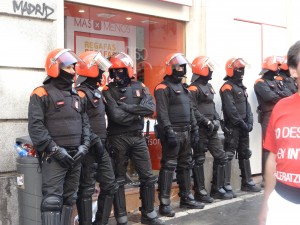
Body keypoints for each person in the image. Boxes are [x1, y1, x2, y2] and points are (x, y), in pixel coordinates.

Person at [28, 48, 91, 225]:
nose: (74, 71)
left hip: (75, 155)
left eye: (74, 68)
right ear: (56, 68)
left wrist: (84, 147)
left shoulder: (77, 94)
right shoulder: (41, 93)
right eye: (70, 68)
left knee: (70, 199)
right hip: (54, 157)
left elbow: (85, 123)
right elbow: (36, 127)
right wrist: (55, 150)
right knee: (52, 202)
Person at [102, 52, 164, 225]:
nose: (118, 74)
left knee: (147, 176)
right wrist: (137, 112)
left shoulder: (140, 86)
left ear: (128, 70)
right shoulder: (108, 90)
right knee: (118, 179)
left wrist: (128, 107)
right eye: (114, 71)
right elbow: (116, 116)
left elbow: (150, 109)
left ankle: (149, 214)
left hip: (137, 137)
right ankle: (121, 217)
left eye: (121, 70)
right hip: (117, 138)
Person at [154, 53, 205, 218]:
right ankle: (165, 203)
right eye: (178, 66)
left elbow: (191, 110)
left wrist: (195, 129)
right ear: (170, 68)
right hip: (173, 132)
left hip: (187, 131)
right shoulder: (162, 88)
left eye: (182, 66)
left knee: (186, 165)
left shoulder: (184, 88)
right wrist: (169, 132)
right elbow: (162, 114)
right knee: (168, 167)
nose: (181, 69)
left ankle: (186, 198)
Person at [259, 40, 300, 225]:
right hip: (283, 206)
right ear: (293, 70)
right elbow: (273, 157)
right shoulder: (281, 107)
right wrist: (266, 204)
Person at [75, 51, 118, 225]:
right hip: (89, 148)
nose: (102, 73)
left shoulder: (96, 92)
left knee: (109, 184)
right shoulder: (80, 94)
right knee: (86, 189)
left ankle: (100, 222)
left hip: (102, 146)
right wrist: (94, 141)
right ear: (90, 69)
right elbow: (80, 122)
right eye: (99, 69)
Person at [188, 56, 233, 202]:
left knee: (221, 156)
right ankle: (200, 192)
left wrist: (215, 120)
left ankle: (217, 188)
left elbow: (212, 106)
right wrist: (206, 122)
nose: (211, 71)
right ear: (202, 69)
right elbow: (193, 109)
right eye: (209, 68)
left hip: (212, 128)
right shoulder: (193, 88)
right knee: (199, 159)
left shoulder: (209, 86)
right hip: (200, 129)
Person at [219, 58, 261, 197]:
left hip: (243, 127)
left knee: (245, 153)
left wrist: (250, 121)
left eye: (242, 69)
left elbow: (248, 107)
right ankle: (226, 184)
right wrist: (243, 124)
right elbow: (230, 110)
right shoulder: (227, 87)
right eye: (238, 70)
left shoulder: (242, 87)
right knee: (229, 154)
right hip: (233, 127)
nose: (241, 72)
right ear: (231, 71)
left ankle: (247, 182)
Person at [254, 56, 291, 187]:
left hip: (279, 115)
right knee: (267, 147)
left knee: (280, 145)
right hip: (268, 116)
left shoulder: (276, 82)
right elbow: (269, 97)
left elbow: (288, 93)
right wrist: (280, 95)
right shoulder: (260, 82)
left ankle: (278, 173)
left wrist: (279, 95)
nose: (279, 69)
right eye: (277, 66)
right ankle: (265, 178)